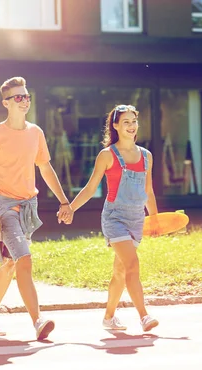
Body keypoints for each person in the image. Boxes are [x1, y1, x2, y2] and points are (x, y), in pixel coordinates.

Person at [0, 77, 73, 340]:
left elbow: (45, 168)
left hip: (28, 206)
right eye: (18, 97)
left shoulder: (35, 133)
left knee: (9, 264)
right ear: (6, 103)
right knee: (24, 259)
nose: (24, 101)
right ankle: (38, 321)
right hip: (3, 206)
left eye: (27, 96)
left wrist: (64, 201)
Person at [66, 104, 159, 332]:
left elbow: (148, 191)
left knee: (120, 271)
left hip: (136, 219)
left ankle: (109, 318)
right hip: (114, 217)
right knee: (132, 265)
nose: (131, 126)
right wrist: (71, 208)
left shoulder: (146, 156)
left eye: (133, 121)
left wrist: (155, 219)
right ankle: (144, 316)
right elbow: (90, 188)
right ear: (115, 126)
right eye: (125, 122)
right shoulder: (107, 155)